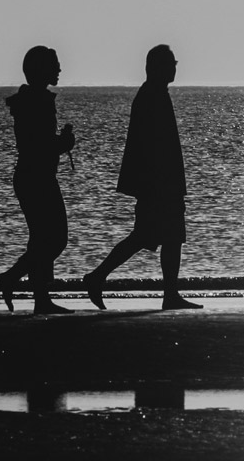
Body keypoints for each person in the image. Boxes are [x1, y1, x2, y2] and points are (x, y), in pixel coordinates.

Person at [82, 44, 202, 310]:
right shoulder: (151, 96)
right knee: (149, 236)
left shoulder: (155, 94)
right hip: (158, 184)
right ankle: (99, 277)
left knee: (165, 237)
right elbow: (150, 146)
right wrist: (159, 184)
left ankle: (168, 293)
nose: (174, 68)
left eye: (175, 63)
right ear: (155, 67)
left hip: (160, 183)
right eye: (169, 64)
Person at [0, 45, 76, 314]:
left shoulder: (31, 99)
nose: (59, 69)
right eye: (54, 64)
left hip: (31, 176)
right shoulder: (38, 101)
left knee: (41, 238)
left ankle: (41, 298)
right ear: (42, 69)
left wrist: (59, 144)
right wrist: (64, 144)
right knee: (56, 239)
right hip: (37, 177)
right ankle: (12, 278)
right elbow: (38, 145)